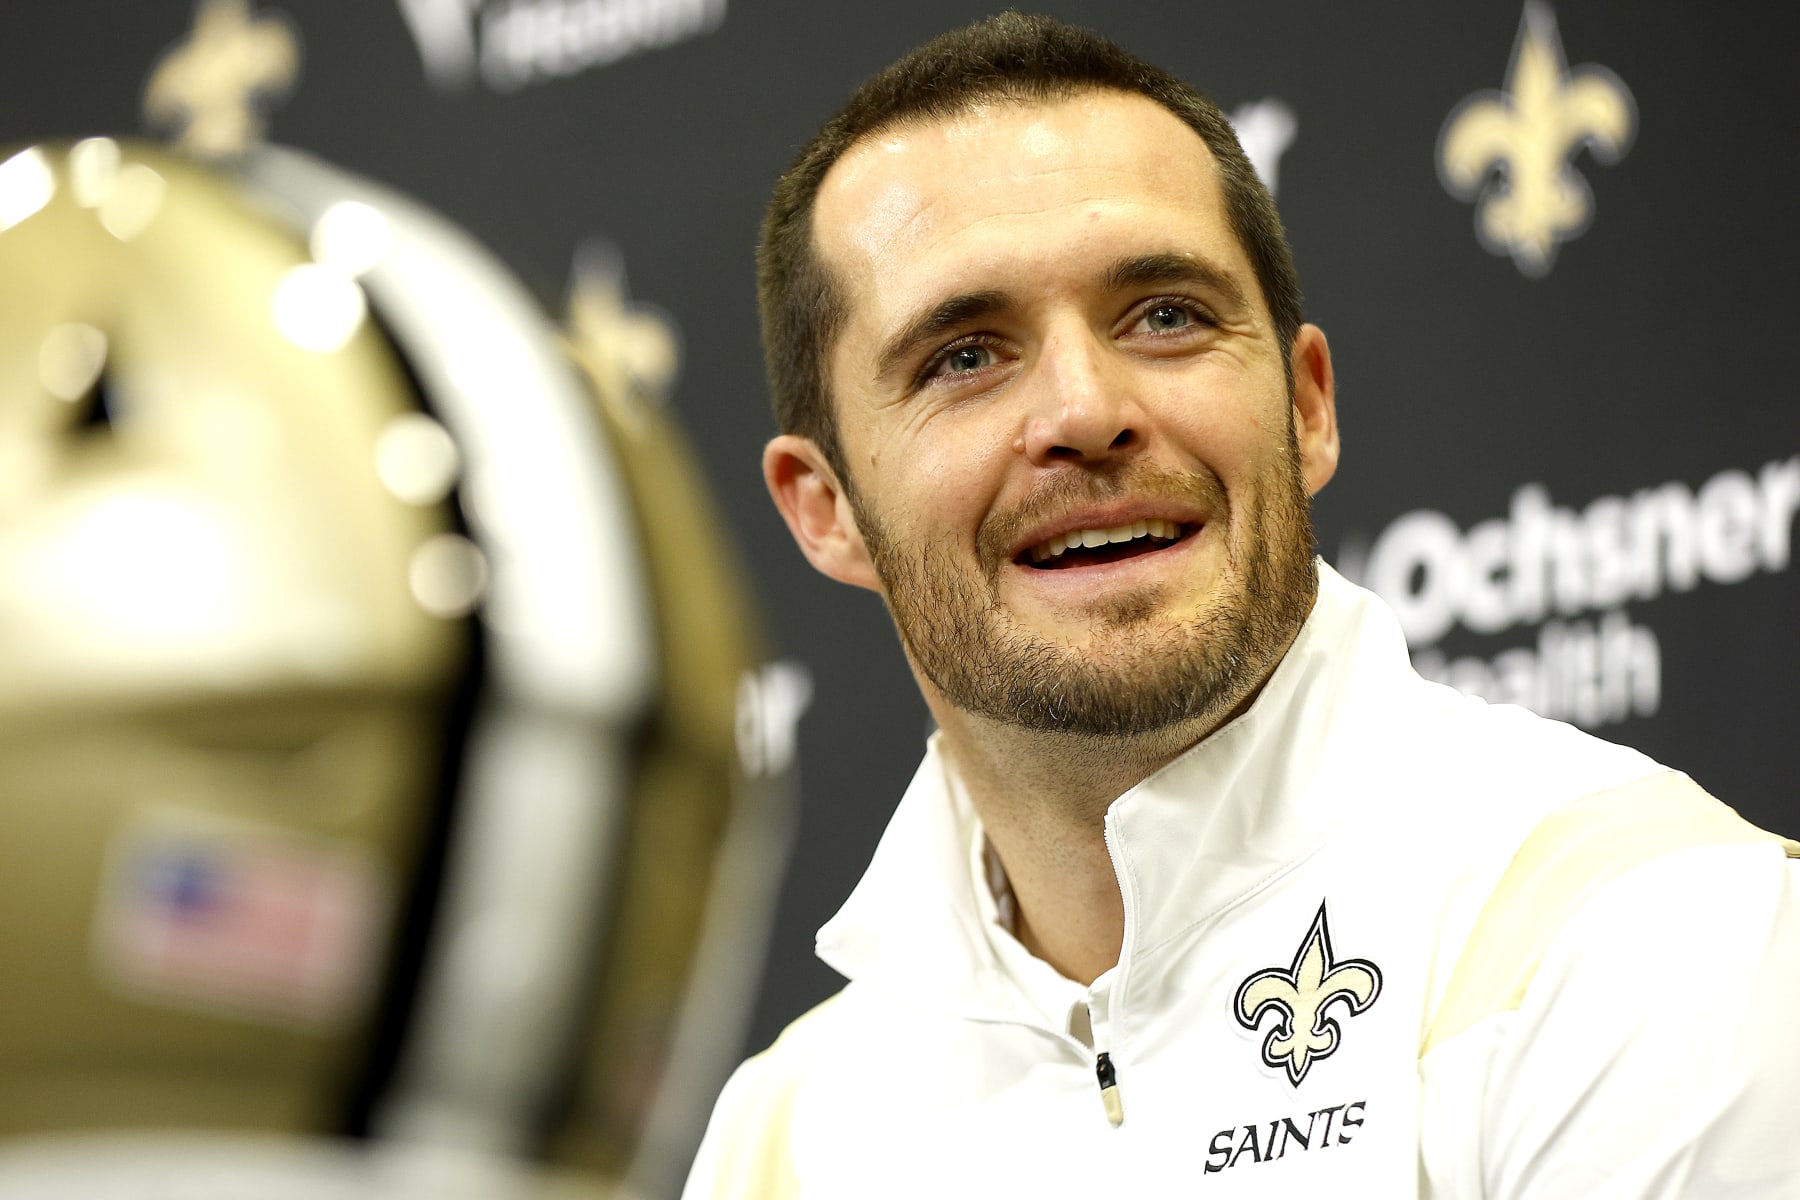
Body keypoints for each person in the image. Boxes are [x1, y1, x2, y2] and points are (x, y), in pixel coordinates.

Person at [685, 13, 1800, 1198]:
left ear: (1307, 405)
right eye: (964, 354)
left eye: (1164, 314)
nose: (1083, 408)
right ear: (826, 509)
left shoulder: (1643, 932)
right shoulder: (785, 1137)